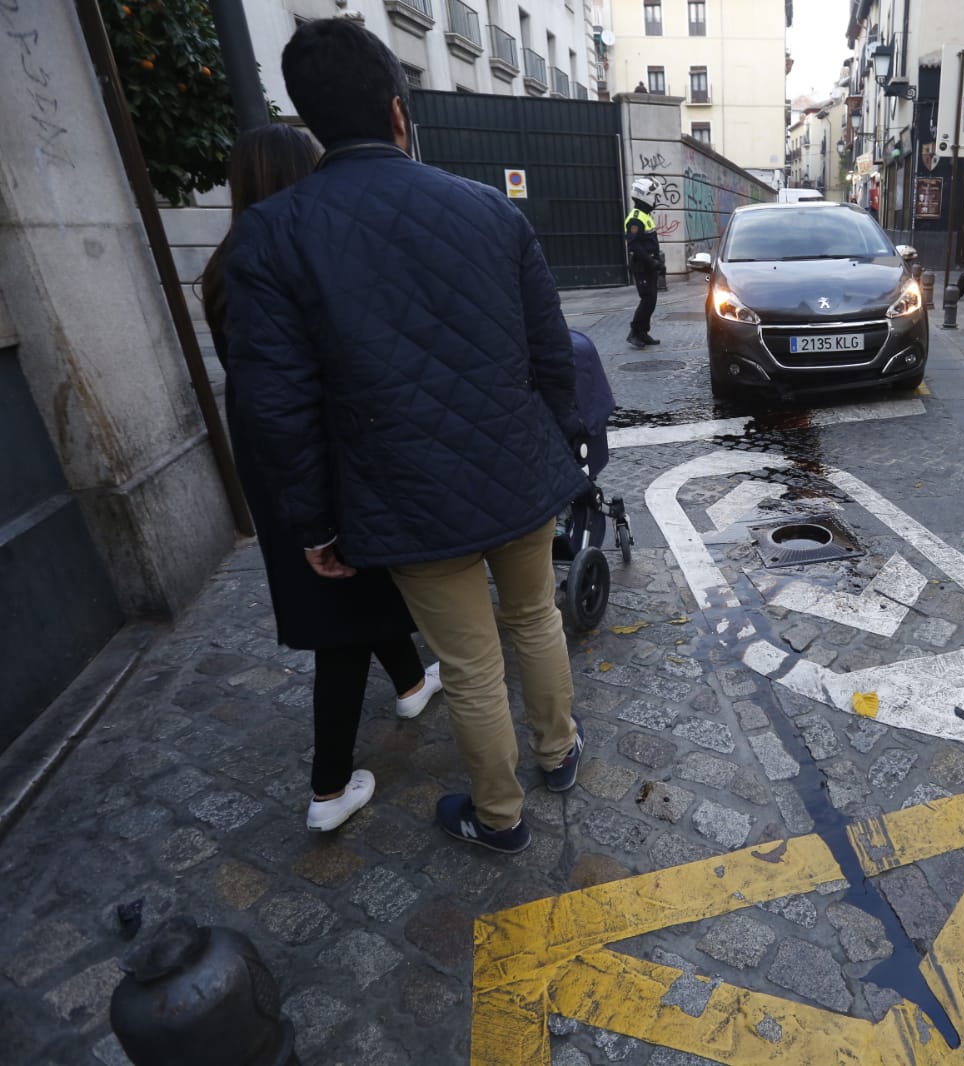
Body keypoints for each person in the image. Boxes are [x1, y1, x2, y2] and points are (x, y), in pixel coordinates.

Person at [225, 19, 590, 854]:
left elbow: (278, 404)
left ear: (308, 118)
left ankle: (499, 817)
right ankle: (558, 751)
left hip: (406, 492)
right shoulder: (489, 210)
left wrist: (315, 522)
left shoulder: (273, 232)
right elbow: (552, 355)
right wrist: (561, 448)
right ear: (398, 110)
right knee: (534, 617)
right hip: (516, 471)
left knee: (469, 662)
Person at [201, 124, 443, 835]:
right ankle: (329, 786)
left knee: (356, 594)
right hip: (316, 462)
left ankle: (410, 681)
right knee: (339, 616)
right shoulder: (294, 261)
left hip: (274, 461)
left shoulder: (225, 265)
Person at [625, 176, 665, 349]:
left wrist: (658, 263)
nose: (656, 201)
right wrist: (651, 262)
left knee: (651, 300)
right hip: (642, 266)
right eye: (655, 196)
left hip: (649, 265)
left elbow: (649, 243)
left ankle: (643, 332)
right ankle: (634, 332)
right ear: (645, 196)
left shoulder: (644, 216)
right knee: (647, 300)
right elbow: (634, 245)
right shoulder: (635, 219)